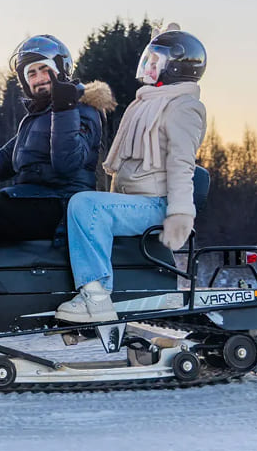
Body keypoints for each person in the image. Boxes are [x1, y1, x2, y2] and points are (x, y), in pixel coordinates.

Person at [0, 35, 116, 321]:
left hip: (62, 205)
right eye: (31, 73)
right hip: (34, 199)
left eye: (44, 70)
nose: (38, 78)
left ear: (62, 70)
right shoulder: (35, 118)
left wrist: (64, 108)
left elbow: (67, 164)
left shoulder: (83, 110)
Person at [58, 27, 207, 323]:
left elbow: (182, 164)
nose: (148, 66)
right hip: (135, 201)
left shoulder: (184, 107)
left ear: (175, 67)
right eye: (148, 59)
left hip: (157, 204)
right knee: (79, 203)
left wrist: (180, 213)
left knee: (86, 205)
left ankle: (96, 297)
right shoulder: (148, 102)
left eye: (156, 61)